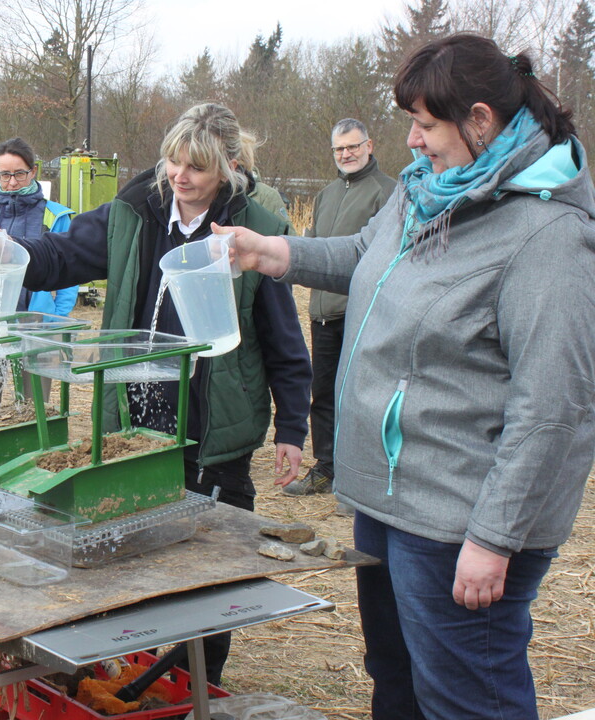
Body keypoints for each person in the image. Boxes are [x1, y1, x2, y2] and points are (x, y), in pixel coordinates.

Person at [227, 34, 595, 720]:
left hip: (461, 520)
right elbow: (369, 255)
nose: (411, 141)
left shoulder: (547, 236)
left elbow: (555, 408)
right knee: (395, 680)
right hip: (391, 503)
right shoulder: (426, 192)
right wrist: (273, 252)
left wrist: (494, 539)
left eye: (425, 124)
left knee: (467, 699)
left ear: (479, 120)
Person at [1, 103, 311, 684]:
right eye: (173, 160)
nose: (180, 176)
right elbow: (65, 253)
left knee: (210, 564)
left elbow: (282, 338)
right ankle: (144, 671)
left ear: (227, 168)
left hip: (215, 421)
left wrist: (292, 427)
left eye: (196, 166)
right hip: (138, 419)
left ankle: (199, 679)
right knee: (141, 547)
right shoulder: (134, 211)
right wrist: (15, 255)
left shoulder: (254, 230)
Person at [283, 118, 394, 500]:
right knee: (324, 394)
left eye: (353, 146)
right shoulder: (325, 194)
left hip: (363, 314)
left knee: (363, 398)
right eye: (339, 149)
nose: (346, 154)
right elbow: (314, 247)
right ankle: (326, 468)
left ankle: (362, 478)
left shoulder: (389, 193)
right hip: (322, 312)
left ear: (369, 145)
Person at [0, 137, 76, 406]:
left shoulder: (56, 216)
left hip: (37, 324)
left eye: (19, 173)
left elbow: (69, 271)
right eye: (5, 174)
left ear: (34, 171)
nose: (12, 182)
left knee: (33, 405)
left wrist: (55, 317)